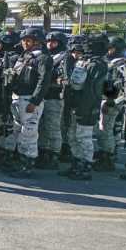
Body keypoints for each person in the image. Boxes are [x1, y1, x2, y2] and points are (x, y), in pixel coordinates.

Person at [6, 27, 53, 177]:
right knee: (18, 131)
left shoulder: (43, 58)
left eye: (28, 40)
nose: (25, 43)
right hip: (18, 98)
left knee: (29, 133)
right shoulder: (25, 57)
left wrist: (35, 100)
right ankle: (20, 161)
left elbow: (43, 81)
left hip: (30, 100)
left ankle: (28, 165)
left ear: (37, 42)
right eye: (23, 40)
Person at [61, 34, 108, 181]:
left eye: (89, 43)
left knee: (84, 137)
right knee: (73, 136)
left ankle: (86, 167)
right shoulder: (85, 62)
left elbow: (94, 90)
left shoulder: (99, 65)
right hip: (77, 103)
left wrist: (87, 106)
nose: (85, 46)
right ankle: (76, 164)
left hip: (88, 106)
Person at [94, 37, 126, 172]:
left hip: (112, 101)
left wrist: (110, 102)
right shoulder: (112, 62)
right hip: (108, 99)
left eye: (110, 48)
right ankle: (107, 154)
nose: (108, 50)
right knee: (107, 130)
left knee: (105, 130)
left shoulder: (122, 64)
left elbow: (123, 86)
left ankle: (107, 158)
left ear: (115, 48)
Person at [37, 32, 71, 170]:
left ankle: (54, 154)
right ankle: (44, 151)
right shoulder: (46, 56)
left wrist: (53, 81)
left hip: (55, 96)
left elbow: (65, 79)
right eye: (48, 41)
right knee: (44, 126)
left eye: (54, 42)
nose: (50, 44)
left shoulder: (64, 57)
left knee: (53, 127)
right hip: (44, 95)